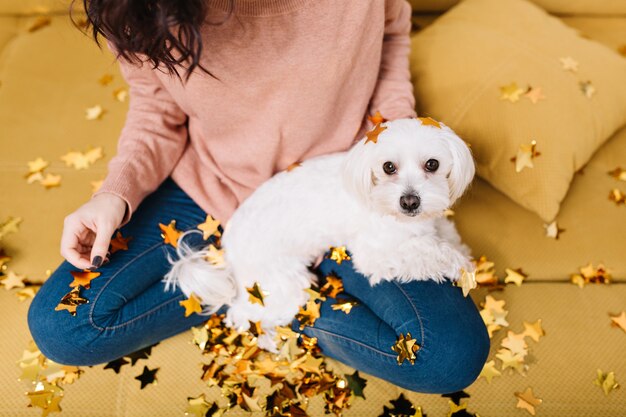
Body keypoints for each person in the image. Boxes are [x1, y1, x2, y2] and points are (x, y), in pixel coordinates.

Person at [27, 0, 489, 394]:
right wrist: (114, 195)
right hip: (214, 187)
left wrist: (393, 149)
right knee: (63, 328)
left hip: (340, 187)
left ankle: (269, 297)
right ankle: (266, 289)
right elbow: (157, 109)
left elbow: (390, 39)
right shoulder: (138, 6)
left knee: (449, 356)